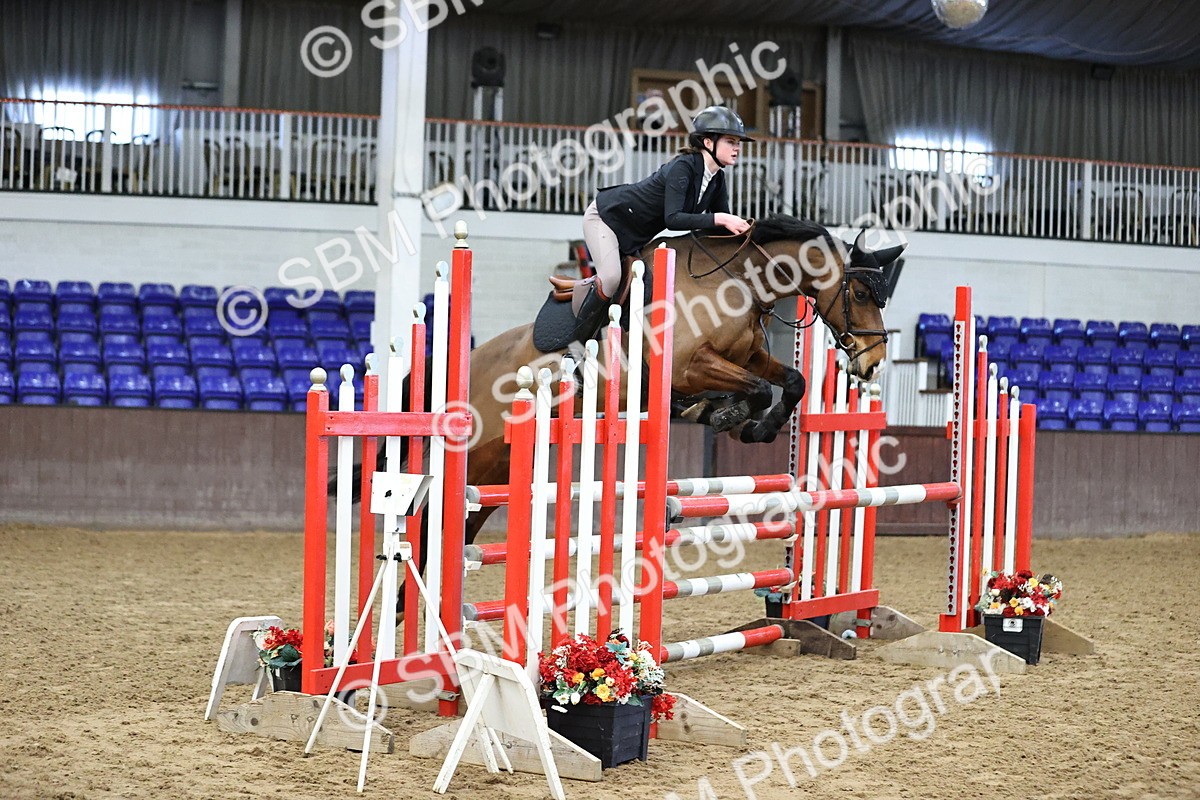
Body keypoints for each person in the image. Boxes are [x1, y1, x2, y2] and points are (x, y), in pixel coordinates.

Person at [570, 105, 753, 339]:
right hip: (606, 219)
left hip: (634, 235)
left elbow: (718, 227)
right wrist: (721, 218)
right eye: (731, 141)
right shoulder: (682, 167)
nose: (737, 148)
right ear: (708, 143)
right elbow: (673, 219)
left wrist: (745, 234)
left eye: (738, 142)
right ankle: (577, 345)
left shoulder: (717, 178)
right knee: (612, 277)